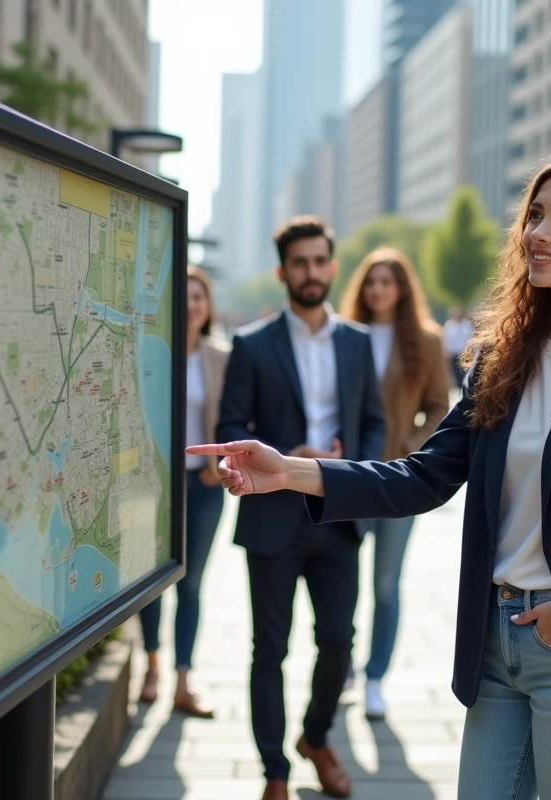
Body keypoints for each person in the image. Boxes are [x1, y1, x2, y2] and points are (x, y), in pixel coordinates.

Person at [192, 154, 551, 799]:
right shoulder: (504, 356)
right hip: (494, 643)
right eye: (535, 216)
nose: (538, 233)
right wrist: (294, 473)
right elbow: (423, 476)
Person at [216, 216, 386, 800]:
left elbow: (373, 424)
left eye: (319, 262)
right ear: (282, 271)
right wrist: (288, 460)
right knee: (271, 649)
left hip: (337, 517)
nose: (311, 273)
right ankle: (275, 772)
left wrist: (351, 477)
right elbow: (231, 426)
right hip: (271, 520)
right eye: (300, 263)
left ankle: (315, 737)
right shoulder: (252, 344)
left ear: (331, 268)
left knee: (339, 640)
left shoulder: (358, 344)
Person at [338, 247, 450, 719]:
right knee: (341, 579)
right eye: (371, 282)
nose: (378, 290)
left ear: (402, 289)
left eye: (387, 282)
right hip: (350, 478)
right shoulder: (345, 335)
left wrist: (414, 444)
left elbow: (441, 406)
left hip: (400, 480)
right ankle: (339, 665)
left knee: (385, 583)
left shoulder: (425, 339)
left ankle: (375, 677)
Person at [137, 265, 230, 717]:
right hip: (155, 485)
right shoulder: (152, 351)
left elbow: (235, 420)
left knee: (191, 585)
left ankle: (183, 681)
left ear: (208, 305)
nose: (192, 303)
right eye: (185, 295)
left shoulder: (221, 356)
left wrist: (222, 465)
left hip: (205, 485)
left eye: (199, 296)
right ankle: (151, 665)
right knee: (151, 583)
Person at [443, 305, 474, 386]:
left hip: (464, 354)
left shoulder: (466, 324)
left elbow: (470, 337)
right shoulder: (449, 325)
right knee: (456, 373)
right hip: (453, 354)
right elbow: (446, 339)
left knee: (465, 372)